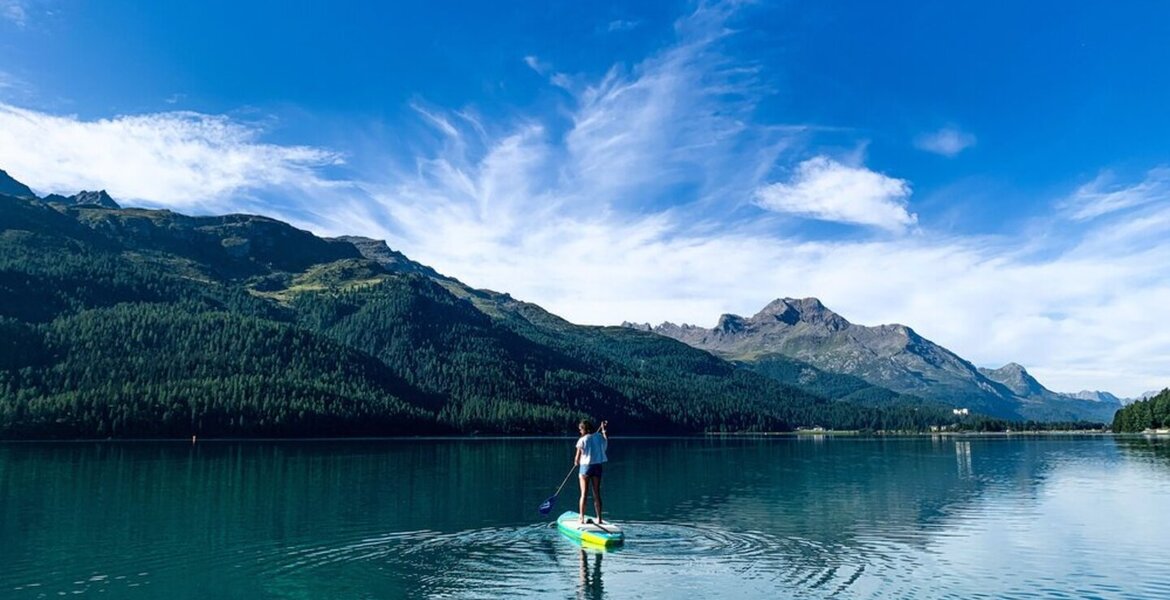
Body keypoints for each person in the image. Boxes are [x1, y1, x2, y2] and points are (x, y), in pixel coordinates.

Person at [575, 419, 608, 524]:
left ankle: (581, 518)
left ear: (585, 429)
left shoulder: (582, 439)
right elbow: (605, 444)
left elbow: (577, 459)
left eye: (580, 429)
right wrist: (603, 431)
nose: (580, 431)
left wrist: (576, 462)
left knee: (584, 493)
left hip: (585, 467)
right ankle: (599, 519)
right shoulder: (599, 437)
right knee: (597, 493)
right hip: (597, 467)